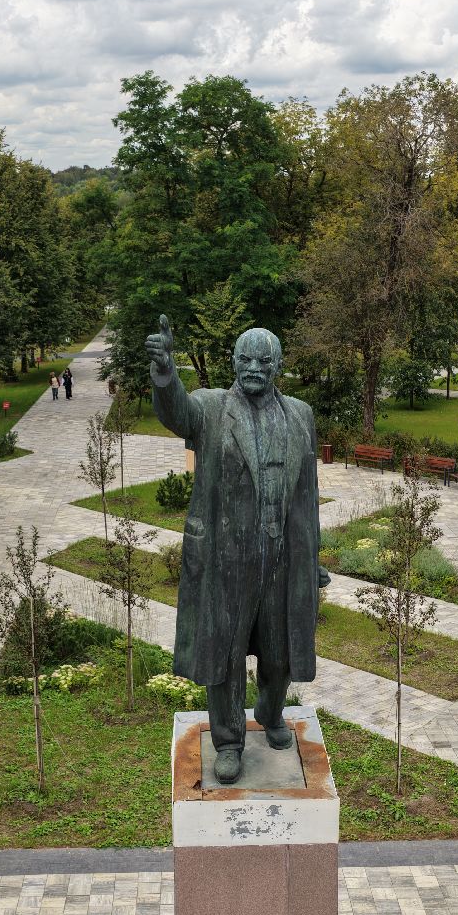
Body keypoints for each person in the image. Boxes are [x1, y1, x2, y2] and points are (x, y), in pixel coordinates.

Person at [145, 314, 328, 785]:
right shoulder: (209, 408)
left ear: (277, 366)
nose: (252, 367)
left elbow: (307, 491)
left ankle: (269, 713)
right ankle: (228, 741)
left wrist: (314, 557)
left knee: (281, 654)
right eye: (244, 359)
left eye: (262, 361)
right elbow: (176, 412)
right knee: (225, 655)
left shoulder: (300, 415)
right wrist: (165, 373)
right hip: (225, 561)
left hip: (282, 560)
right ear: (232, 362)